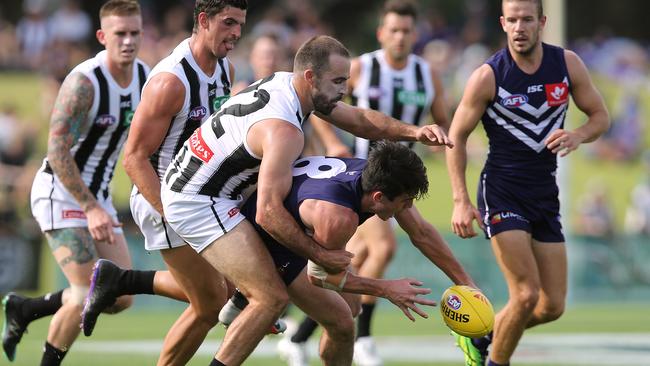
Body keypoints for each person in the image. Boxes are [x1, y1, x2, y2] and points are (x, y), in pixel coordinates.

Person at [160, 35, 451, 366]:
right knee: (270, 298)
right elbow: (270, 214)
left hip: (220, 190)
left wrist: (414, 132)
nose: (344, 89)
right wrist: (322, 255)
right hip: (199, 198)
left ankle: (236, 292)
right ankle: (245, 294)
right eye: (338, 81)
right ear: (311, 77)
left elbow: (359, 120)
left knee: (344, 317)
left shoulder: (290, 86)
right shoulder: (285, 129)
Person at [81, 1, 248, 365]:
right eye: (228, 23)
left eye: (240, 24)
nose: (236, 33)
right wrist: (172, 211)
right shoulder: (169, 81)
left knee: (216, 295)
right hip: (164, 198)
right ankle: (121, 282)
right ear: (203, 21)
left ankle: (120, 280)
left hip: (199, 196)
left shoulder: (226, 69)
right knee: (210, 305)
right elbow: (134, 158)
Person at [445, 1, 610, 365]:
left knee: (551, 306)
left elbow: (600, 115)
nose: (520, 27)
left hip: (544, 195)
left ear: (542, 22)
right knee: (524, 295)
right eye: (513, 20)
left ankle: (484, 335)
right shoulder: (488, 75)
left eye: (527, 19)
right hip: (502, 192)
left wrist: (579, 135)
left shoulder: (566, 64)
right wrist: (460, 199)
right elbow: (456, 136)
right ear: (503, 24)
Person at [222, 141, 477, 366]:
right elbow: (320, 276)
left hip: (291, 224)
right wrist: (386, 289)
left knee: (352, 306)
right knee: (342, 323)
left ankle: (241, 300)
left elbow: (421, 233)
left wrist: (466, 284)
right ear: (378, 197)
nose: (407, 209)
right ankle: (246, 297)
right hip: (269, 242)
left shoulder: (376, 176)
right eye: (405, 202)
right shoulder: (339, 216)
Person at [292, 2, 450, 364]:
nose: (400, 36)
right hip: (362, 182)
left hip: (399, 183)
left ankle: (303, 334)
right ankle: (361, 338)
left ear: (416, 34)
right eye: (393, 30)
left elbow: (444, 125)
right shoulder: (362, 67)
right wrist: (333, 144)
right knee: (383, 250)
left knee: (354, 259)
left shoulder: (428, 75)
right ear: (381, 33)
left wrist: (451, 154)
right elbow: (321, 106)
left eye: (407, 30)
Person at [1, 1, 148, 365]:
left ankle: (27, 308)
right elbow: (57, 151)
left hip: (96, 195)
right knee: (84, 292)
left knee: (120, 296)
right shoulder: (85, 82)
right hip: (60, 191)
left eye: (135, 33)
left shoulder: (146, 77)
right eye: (120, 34)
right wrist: (91, 207)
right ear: (102, 36)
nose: (128, 41)